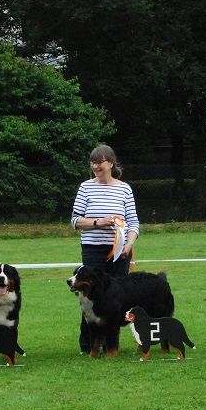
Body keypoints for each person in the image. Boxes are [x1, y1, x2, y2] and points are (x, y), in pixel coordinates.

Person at [71, 144, 139, 353]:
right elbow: (75, 221)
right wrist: (98, 222)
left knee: (115, 299)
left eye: (99, 162)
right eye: (92, 162)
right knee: (89, 298)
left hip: (119, 252)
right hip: (93, 250)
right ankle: (88, 344)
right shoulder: (85, 187)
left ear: (111, 163)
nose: (95, 166)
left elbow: (133, 222)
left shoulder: (124, 188)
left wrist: (128, 244)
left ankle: (112, 345)